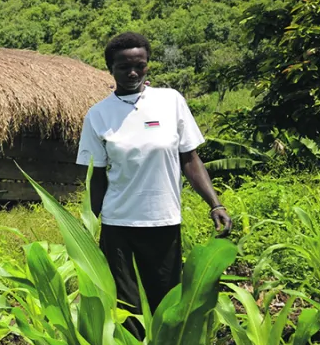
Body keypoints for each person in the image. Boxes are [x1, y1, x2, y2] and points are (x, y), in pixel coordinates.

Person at [77, 31, 232, 320]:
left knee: (166, 304)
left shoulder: (170, 101)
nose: (133, 72)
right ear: (111, 69)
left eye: (140, 65)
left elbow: (190, 158)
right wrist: (89, 226)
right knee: (126, 308)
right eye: (124, 67)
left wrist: (215, 203)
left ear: (148, 64)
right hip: (118, 225)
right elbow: (96, 178)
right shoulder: (98, 115)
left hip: (163, 221)